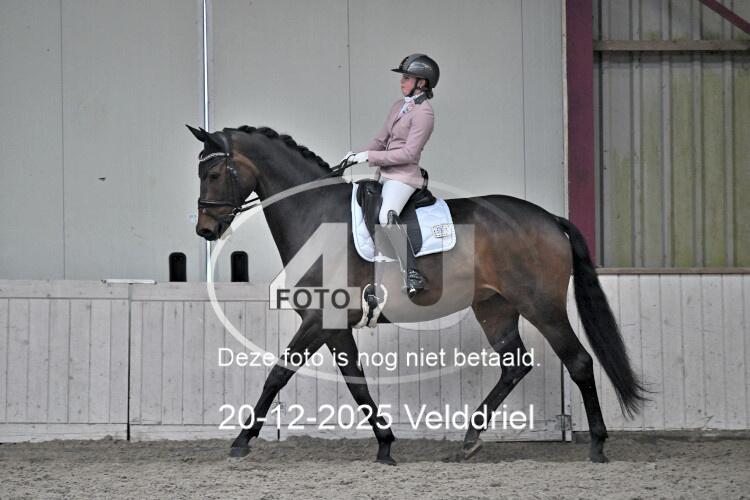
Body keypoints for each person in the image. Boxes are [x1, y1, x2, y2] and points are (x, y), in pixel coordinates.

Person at [343, 53, 439, 298]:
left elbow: (409, 153)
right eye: (403, 77)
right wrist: (357, 155)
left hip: (404, 177)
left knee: (387, 216)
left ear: (422, 83)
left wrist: (370, 157)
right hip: (384, 173)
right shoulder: (399, 106)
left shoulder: (424, 113)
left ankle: (412, 273)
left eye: (407, 78)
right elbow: (381, 139)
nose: (401, 82)